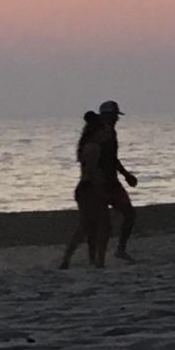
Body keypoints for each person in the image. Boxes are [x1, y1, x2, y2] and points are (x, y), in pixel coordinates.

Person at [60, 111, 112, 269]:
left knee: (88, 226)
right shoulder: (93, 147)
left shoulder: (87, 146)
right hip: (90, 190)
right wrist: (98, 188)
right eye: (104, 131)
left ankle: (70, 259)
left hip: (87, 189)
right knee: (100, 225)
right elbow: (89, 171)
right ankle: (98, 260)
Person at [98, 100, 139, 262]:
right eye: (115, 115)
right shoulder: (102, 134)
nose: (117, 119)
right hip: (104, 182)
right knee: (104, 221)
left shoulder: (109, 132)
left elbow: (112, 159)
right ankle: (106, 253)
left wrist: (125, 174)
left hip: (111, 181)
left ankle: (118, 250)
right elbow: (106, 158)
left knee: (128, 214)